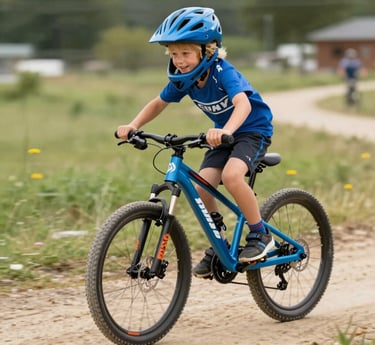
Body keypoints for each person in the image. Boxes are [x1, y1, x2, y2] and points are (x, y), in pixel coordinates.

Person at [116, 7, 275, 278]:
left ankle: (261, 234)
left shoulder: (221, 71)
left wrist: (225, 130)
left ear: (207, 50)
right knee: (203, 186)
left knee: (232, 176)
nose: (179, 60)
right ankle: (219, 243)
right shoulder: (184, 80)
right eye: (174, 54)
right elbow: (158, 103)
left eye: (186, 53)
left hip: (252, 130)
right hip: (223, 134)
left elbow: (243, 104)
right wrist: (133, 126)